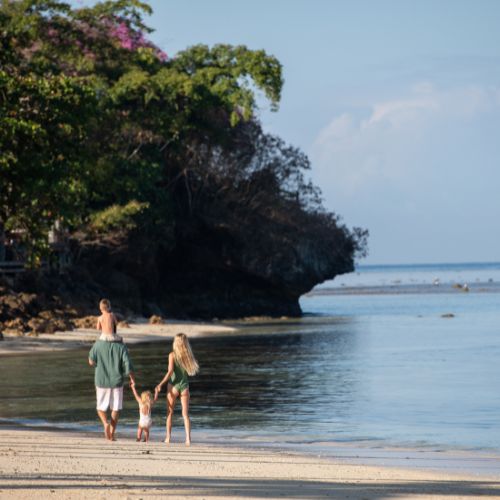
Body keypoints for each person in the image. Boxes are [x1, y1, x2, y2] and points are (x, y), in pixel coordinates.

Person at [88, 299, 134, 441]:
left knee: (100, 407)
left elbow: (90, 361)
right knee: (116, 408)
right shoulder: (121, 346)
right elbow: (128, 365)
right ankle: (112, 433)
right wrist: (132, 379)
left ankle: (105, 423)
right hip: (117, 381)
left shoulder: (97, 345)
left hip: (101, 379)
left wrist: (98, 362)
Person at [155, 333, 199, 445]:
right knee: (185, 415)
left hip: (173, 386)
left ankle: (168, 438)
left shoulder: (172, 355)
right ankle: (188, 439)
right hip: (184, 386)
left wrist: (160, 384)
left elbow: (170, 372)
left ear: (176, 342)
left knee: (169, 413)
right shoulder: (188, 356)